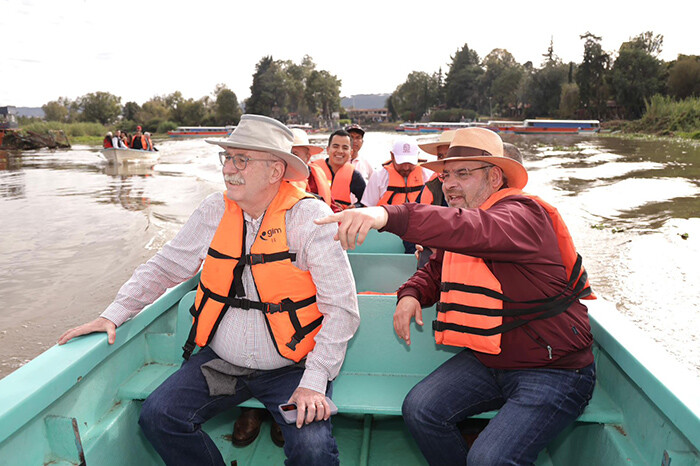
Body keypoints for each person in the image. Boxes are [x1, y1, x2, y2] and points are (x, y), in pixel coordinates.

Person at [58, 114, 360, 466]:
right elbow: (165, 266)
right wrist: (114, 313)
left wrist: (315, 378)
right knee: (159, 416)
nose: (228, 169)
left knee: (313, 450)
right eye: (226, 157)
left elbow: (342, 308)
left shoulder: (310, 219)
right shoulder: (214, 210)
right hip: (224, 363)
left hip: (292, 368)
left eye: (241, 159)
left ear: (276, 171)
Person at [315, 127, 596, 465]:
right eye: (446, 175)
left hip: (554, 369)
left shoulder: (523, 215)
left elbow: (468, 229)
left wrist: (386, 214)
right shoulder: (474, 219)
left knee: (488, 460)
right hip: (491, 359)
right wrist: (412, 293)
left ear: (495, 177)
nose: (447, 184)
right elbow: (437, 267)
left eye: (462, 174)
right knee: (421, 409)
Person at [360, 137, 433, 208]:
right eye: (401, 163)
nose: (406, 168)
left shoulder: (428, 175)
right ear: (392, 156)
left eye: (410, 163)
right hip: (388, 220)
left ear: (417, 156)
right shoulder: (378, 176)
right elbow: (368, 208)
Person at [310, 129, 366, 210]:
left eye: (345, 148)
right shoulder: (312, 170)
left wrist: (355, 207)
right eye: (335, 146)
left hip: (340, 219)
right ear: (328, 150)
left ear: (351, 152)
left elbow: (365, 201)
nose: (340, 151)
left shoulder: (354, 175)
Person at [288, 128, 337, 212]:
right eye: (287, 153)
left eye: (294, 154)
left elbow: (332, 207)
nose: (290, 158)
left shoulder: (317, 175)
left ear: (308, 157)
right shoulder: (278, 179)